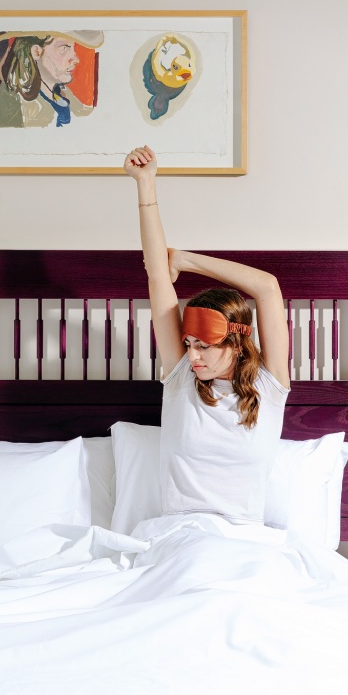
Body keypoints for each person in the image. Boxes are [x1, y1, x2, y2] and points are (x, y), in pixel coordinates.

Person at [124, 144, 290, 523]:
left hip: (243, 541)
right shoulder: (182, 377)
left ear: (235, 342)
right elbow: (156, 274)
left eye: (204, 345)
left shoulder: (270, 386)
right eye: (188, 343)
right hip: (179, 537)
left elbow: (267, 287)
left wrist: (186, 260)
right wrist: (145, 184)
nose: (193, 355)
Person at [0, 29, 104, 128]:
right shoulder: (12, 102)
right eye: (64, 49)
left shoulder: (62, 93)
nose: (75, 59)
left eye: (73, 48)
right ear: (37, 52)